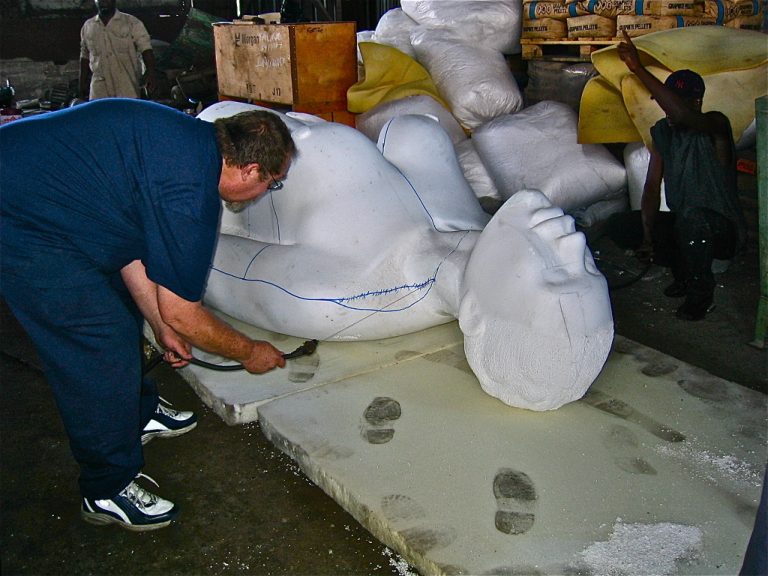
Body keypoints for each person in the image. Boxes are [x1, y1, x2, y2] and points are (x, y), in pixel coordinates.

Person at [0, 99, 296, 531]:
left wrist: (159, 322)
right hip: (19, 221)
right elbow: (186, 316)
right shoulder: (190, 194)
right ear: (250, 171)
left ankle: (134, 413)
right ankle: (106, 487)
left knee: (120, 310)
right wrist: (248, 352)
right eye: (274, 183)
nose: (268, 192)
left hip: (40, 196)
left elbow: (131, 246)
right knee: (100, 344)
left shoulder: (187, 143)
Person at [607, 30, 746, 321]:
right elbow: (651, 186)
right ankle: (683, 272)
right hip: (688, 225)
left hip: (721, 233)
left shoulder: (715, 125)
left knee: (692, 219)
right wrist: (646, 236)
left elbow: (683, 116)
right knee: (622, 225)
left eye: (677, 102)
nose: (667, 109)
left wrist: (638, 69)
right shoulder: (663, 133)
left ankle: (701, 293)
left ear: (696, 103)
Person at [79, 0, 156, 100]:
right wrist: (81, 84)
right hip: (99, 91)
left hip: (126, 87)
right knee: (101, 115)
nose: (103, 2)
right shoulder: (88, 27)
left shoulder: (131, 22)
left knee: (127, 114)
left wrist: (151, 73)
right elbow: (84, 57)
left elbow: (146, 49)